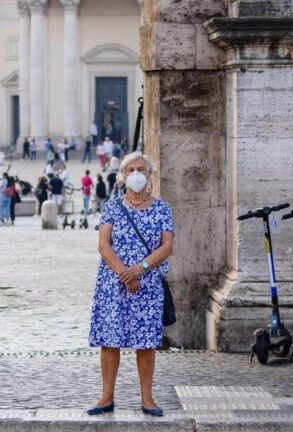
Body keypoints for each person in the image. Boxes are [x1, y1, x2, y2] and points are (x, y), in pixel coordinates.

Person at [87, 152, 174, 417]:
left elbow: (167, 246)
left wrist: (140, 269)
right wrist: (125, 273)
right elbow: (104, 245)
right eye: (130, 169)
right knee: (109, 341)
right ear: (123, 176)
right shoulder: (112, 207)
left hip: (147, 284)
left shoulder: (161, 208)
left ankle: (148, 399)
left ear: (149, 175)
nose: (136, 173)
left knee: (146, 343)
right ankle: (106, 397)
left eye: (141, 169)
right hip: (113, 283)